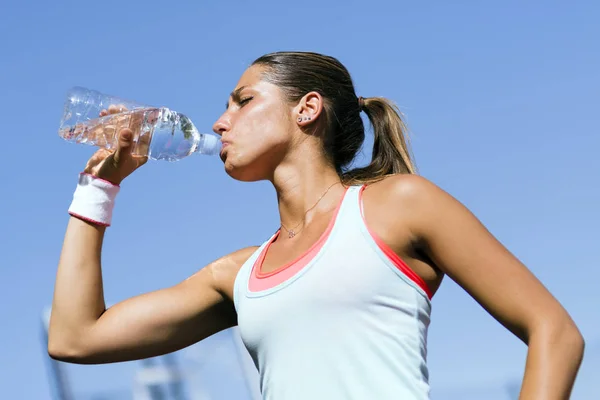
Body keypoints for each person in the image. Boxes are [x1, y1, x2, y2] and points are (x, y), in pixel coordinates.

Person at [48, 51, 584, 399]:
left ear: (307, 109)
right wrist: (99, 187)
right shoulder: (237, 275)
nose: (218, 121)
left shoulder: (400, 205)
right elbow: (76, 337)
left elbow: (554, 333)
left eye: (243, 100)